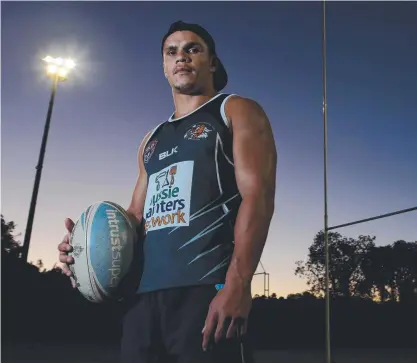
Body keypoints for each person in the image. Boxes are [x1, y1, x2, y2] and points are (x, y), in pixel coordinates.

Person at [58, 20, 277, 363]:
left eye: (193, 49)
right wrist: (85, 247)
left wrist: (237, 285)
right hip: (142, 301)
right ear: (163, 65)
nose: (182, 57)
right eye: (172, 52)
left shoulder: (235, 110)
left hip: (205, 292)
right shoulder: (152, 138)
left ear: (212, 62)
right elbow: (135, 216)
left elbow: (258, 197)